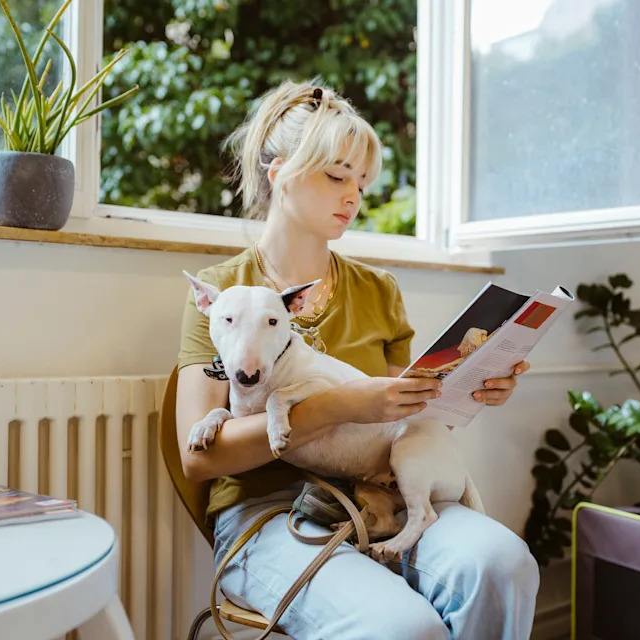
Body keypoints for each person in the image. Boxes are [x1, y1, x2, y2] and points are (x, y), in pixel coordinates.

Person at [176, 79, 539, 640]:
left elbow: (400, 414)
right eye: (337, 176)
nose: (354, 196)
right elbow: (198, 460)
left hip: (380, 496)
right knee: (402, 628)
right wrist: (336, 405)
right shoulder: (223, 295)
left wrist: (473, 384)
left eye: (361, 181)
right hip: (266, 510)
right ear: (279, 174)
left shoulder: (378, 290)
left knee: (504, 563)